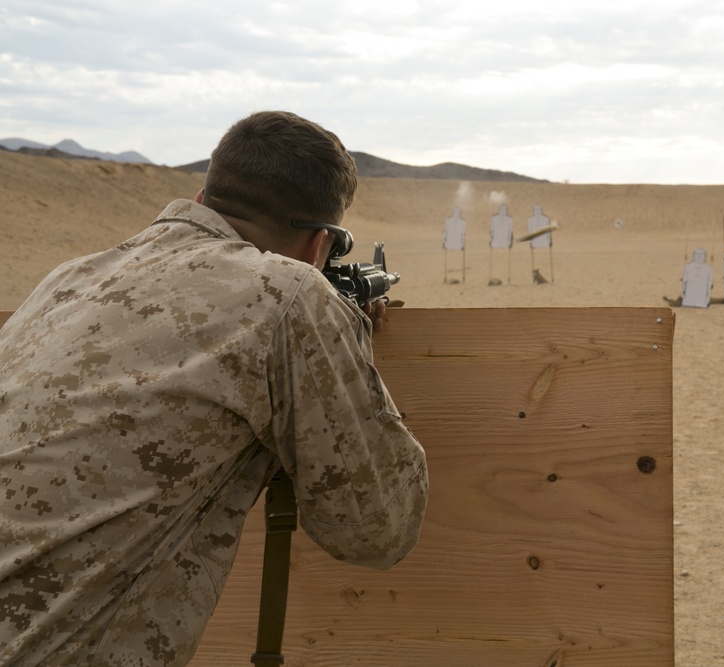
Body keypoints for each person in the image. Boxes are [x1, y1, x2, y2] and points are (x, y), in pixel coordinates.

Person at [0, 111, 429, 666]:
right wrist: (341, 337)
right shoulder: (287, 293)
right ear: (319, 246)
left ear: (203, 197)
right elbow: (376, 530)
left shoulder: (66, 279)